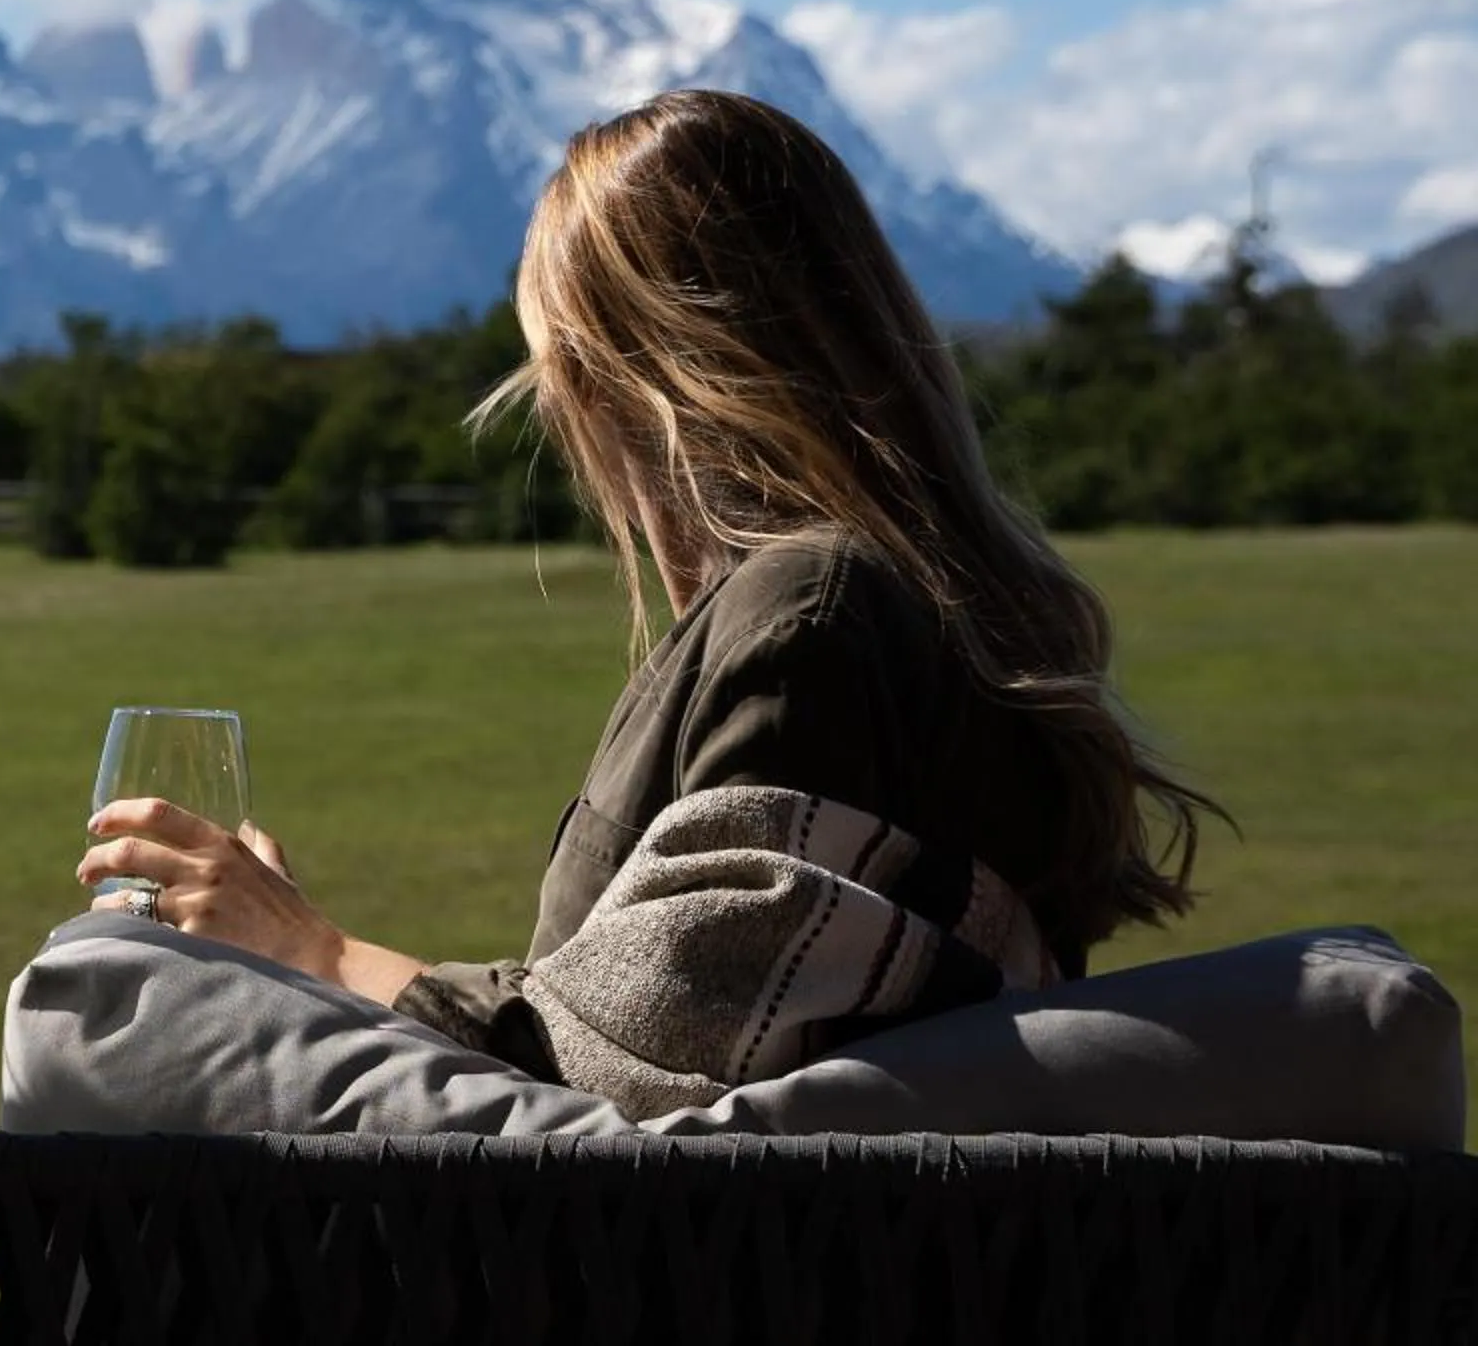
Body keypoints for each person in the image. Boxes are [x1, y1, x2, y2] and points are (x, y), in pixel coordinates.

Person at [78, 89, 1223, 1117]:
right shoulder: (922, 605)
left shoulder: (810, 616)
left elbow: (658, 1077)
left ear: (629, 378)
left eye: (556, 379)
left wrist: (311, 954)